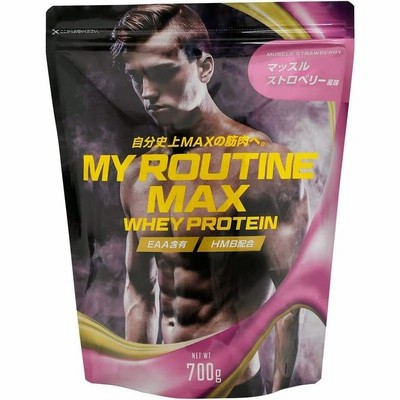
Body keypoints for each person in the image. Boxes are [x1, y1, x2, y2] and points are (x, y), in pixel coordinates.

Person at [111, 4, 308, 397]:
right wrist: (139, 381)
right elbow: (139, 290)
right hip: (164, 379)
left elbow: (291, 299)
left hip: (235, 383)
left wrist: (279, 391)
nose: (147, 93)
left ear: (203, 67)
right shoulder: (136, 176)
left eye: (162, 72)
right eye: (136, 77)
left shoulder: (263, 164)